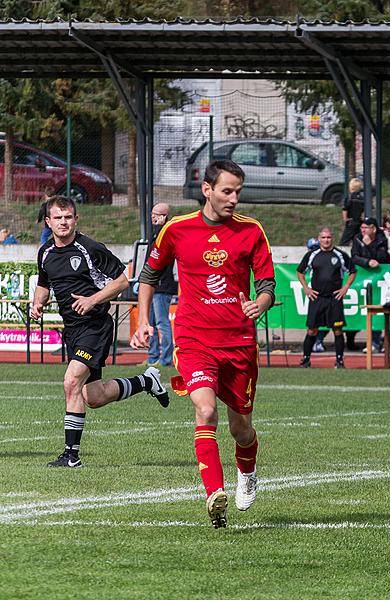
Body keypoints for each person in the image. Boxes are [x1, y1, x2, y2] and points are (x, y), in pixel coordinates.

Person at [130, 159, 276, 528]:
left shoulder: (251, 231)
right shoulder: (177, 230)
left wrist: (259, 303)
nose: (234, 199)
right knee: (205, 411)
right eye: (227, 191)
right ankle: (214, 494)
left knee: (240, 429)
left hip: (239, 342)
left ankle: (247, 471)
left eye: (238, 192)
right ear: (207, 190)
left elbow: (267, 284)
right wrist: (144, 318)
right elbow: (149, 274)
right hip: (195, 339)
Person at [32, 195, 170, 469]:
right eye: (58, 218)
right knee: (93, 396)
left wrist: (92, 299)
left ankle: (71, 456)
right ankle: (146, 382)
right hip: (72, 329)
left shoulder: (90, 248)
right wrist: (38, 302)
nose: (63, 222)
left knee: (71, 382)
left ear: (76, 219)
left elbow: (121, 281)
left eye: (68, 217)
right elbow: (44, 284)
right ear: (48, 221)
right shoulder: (45, 252)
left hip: (95, 326)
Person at [297, 227, 355, 368]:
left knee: (337, 330)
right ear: (319, 238)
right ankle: (305, 360)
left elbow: (352, 271)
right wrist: (306, 288)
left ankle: (339, 361)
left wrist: (345, 287)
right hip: (317, 298)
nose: (326, 240)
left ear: (332, 238)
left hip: (334, 298)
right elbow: (300, 272)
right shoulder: (312, 255)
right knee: (312, 330)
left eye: (328, 237)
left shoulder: (340, 255)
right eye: (323, 238)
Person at [350, 217, 390, 352]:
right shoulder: (357, 238)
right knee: (358, 311)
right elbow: (354, 256)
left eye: (366, 228)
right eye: (362, 228)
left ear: (373, 228)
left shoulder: (381, 239)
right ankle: (350, 340)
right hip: (361, 280)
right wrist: (366, 262)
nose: (363, 231)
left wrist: (369, 246)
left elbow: (383, 257)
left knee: (377, 311)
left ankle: (375, 342)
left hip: (378, 281)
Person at [145, 203, 176, 367]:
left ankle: (166, 359)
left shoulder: (166, 234)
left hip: (162, 287)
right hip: (152, 286)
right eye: (152, 214)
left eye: (157, 214)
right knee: (150, 323)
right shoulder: (154, 235)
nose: (153, 217)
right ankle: (153, 357)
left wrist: (161, 226)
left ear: (164, 216)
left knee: (162, 322)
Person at [339, 178, 367, 246]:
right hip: (359, 221)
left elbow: (345, 209)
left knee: (344, 241)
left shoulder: (349, 198)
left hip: (351, 221)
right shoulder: (362, 198)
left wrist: (345, 218)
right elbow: (364, 209)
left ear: (350, 187)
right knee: (359, 239)